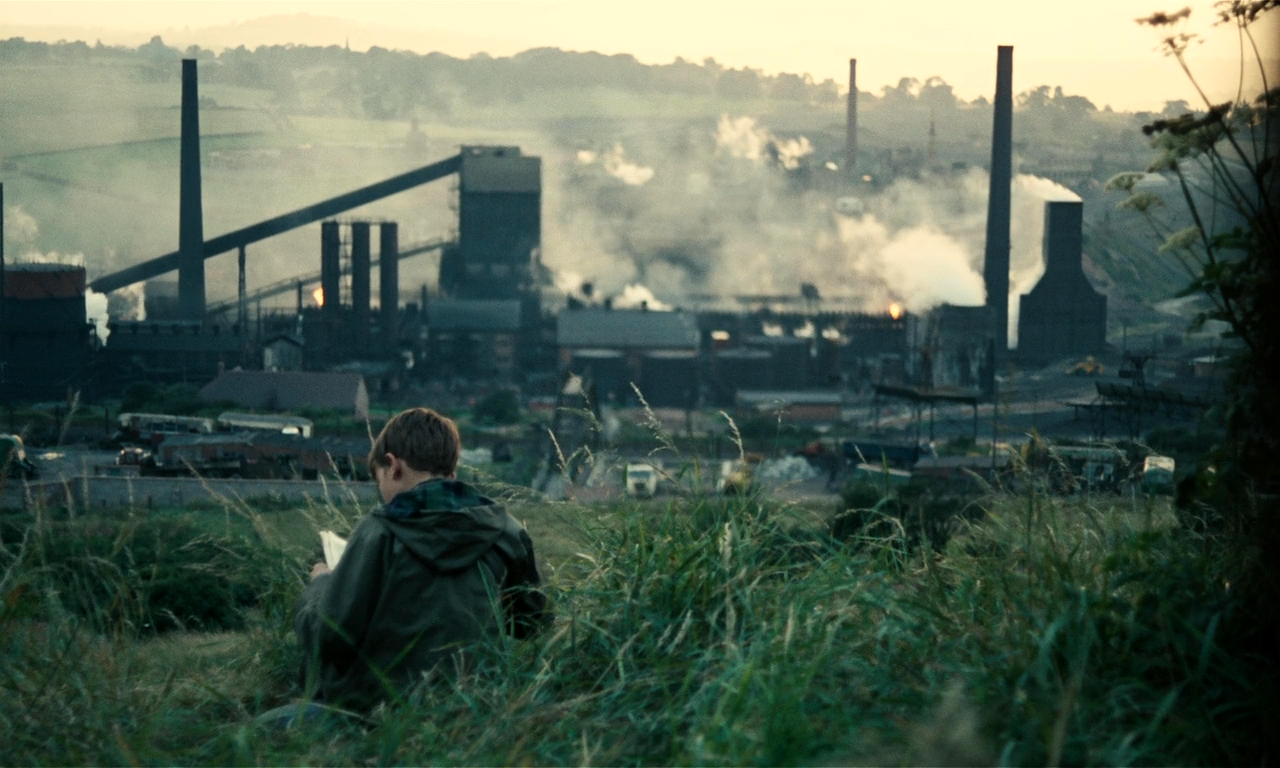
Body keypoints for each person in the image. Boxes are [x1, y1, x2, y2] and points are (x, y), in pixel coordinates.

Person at [293, 407, 549, 711]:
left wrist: (321, 584)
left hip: (378, 713)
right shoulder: (506, 530)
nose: (383, 495)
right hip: (476, 707)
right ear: (451, 474)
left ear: (393, 466)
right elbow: (532, 623)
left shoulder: (378, 533)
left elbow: (329, 638)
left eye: (380, 482)